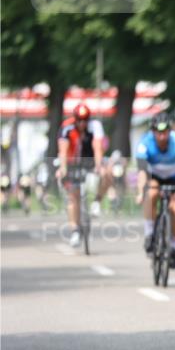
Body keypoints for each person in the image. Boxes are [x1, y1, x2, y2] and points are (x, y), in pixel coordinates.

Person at [134, 113, 175, 268]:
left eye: (165, 131)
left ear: (170, 130)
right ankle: (149, 233)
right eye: (158, 132)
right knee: (151, 193)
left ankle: (174, 246)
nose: (162, 136)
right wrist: (140, 192)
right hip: (155, 176)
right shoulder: (145, 142)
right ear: (152, 131)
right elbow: (141, 172)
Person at [56, 103, 108, 247]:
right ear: (75, 119)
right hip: (72, 162)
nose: (82, 123)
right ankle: (75, 231)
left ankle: (97, 201)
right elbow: (62, 151)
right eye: (79, 119)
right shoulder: (67, 127)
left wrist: (98, 166)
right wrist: (63, 168)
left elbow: (97, 147)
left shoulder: (95, 126)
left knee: (107, 173)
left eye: (85, 120)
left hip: (89, 160)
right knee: (73, 195)